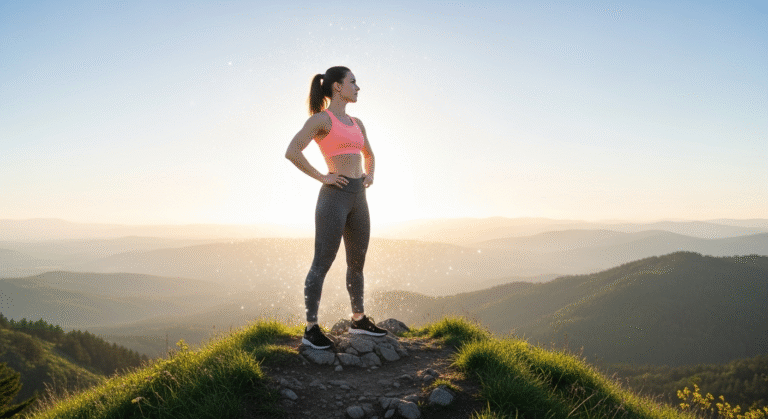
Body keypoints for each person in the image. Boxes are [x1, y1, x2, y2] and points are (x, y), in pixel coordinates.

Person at [285, 66, 387, 349]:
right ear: (337, 87)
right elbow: (292, 151)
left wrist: (370, 174)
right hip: (334, 198)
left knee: (357, 263)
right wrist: (323, 176)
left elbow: (369, 154)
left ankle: (358, 320)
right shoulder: (321, 120)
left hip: (358, 198)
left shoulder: (357, 123)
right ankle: (311, 329)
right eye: (353, 82)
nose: (358, 87)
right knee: (322, 263)